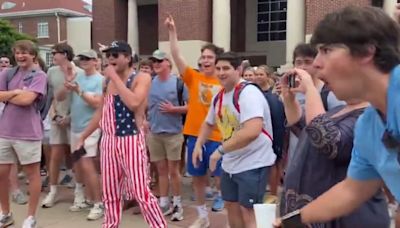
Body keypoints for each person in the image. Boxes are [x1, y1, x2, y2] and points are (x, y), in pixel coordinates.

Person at [274, 6, 400, 227]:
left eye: (326, 50)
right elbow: (352, 190)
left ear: (367, 51)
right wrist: (291, 222)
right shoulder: (368, 125)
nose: (316, 63)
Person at [279, 67, 389, 227]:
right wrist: (289, 98)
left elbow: (328, 141)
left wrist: (311, 90)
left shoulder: (369, 117)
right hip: (311, 212)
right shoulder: (339, 110)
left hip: (345, 215)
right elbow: (305, 128)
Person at [77, 41, 166, 228]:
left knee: (141, 191)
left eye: (115, 55)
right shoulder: (106, 81)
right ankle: (110, 224)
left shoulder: (141, 77)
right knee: (109, 191)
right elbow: (101, 111)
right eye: (108, 55)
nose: (110, 59)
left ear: (127, 57)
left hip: (131, 139)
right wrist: (83, 135)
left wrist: (114, 78)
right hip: (108, 140)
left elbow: (134, 102)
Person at [194, 52, 275, 228]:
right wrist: (199, 144)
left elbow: (252, 130)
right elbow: (208, 123)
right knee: (231, 206)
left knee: (249, 211)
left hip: (254, 162)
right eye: (218, 69)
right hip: (231, 163)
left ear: (238, 70)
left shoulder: (248, 93)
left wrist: (219, 151)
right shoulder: (220, 96)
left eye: (226, 68)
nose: (221, 73)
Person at [165, 14, 225, 227]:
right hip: (194, 136)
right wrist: (172, 32)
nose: (205, 60)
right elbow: (176, 55)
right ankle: (202, 216)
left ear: (218, 60)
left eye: (209, 57)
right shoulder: (194, 77)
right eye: (203, 57)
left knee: (221, 179)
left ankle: (227, 210)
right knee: (198, 178)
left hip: (219, 137)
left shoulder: (224, 79)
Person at [0, 40, 47, 228]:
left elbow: (28, 99)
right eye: (18, 53)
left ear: (33, 55)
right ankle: (5, 213)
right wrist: (17, 92)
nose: (20, 56)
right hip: (5, 131)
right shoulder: (7, 73)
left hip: (28, 132)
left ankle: (30, 217)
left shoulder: (40, 75)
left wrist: (10, 95)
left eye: (24, 53)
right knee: (1, 174)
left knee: (32, 174)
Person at [56, 50, 104, 220]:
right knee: (78, 165)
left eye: (87, 59)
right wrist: (67, 82)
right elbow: (60, 97)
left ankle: (98, 203)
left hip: (90, 129)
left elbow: (97, 103)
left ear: (95, 61)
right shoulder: (78, 77)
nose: (83, 61)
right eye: (81, 59)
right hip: (75, 128)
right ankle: (83, 198)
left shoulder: (100, 80)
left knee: (87, 164)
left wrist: (79, 91)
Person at [147, 49, 188, 221]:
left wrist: (174, 110)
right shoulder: (149, 82)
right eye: (154, 61)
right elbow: (143, 105)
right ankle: (163, 202)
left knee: (174, 171)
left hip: (174, 133)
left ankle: (177, 203)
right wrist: (143, 121)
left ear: (168, 63)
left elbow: (191, 107)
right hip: (155, 133)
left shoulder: (179, 83)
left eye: (159, 61)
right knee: (161, 170)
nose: (156, 64)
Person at [42, 42, 81, 208]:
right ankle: (53, 191)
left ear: (65, 54)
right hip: (57, 119)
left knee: (77, 157)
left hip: (76, 120)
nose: (53, 55)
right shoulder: (51, 72)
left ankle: (79, 192)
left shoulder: (80, 72)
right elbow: (51, 98)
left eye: (55, 53)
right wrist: (54, 115)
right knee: (55, 155)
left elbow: (81, 100)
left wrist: (70, 117)